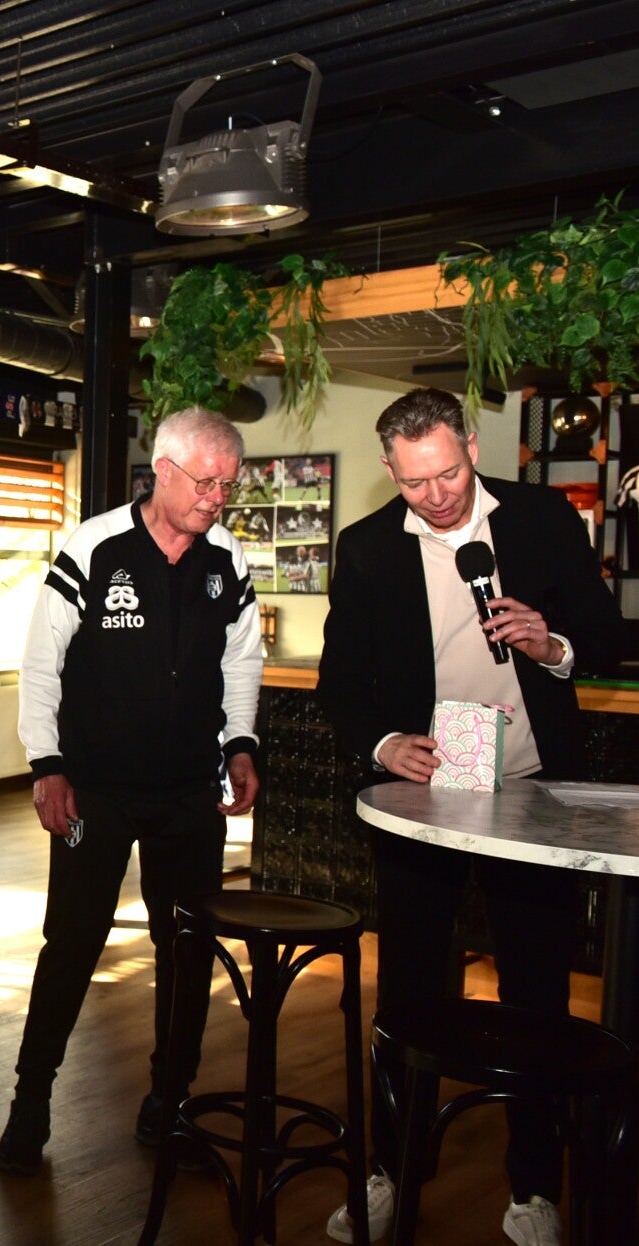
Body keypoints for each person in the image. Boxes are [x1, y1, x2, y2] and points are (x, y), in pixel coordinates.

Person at [316, 387, 624, 1246]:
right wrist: (385, 745)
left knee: (538, 996)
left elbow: (606, 636)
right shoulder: (368, 547)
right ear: (391, 471)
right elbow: (341, 687)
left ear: (472, 448)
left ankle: (534, 1188)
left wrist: (552, 644)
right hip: (425, 802)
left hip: (531, 794)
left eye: (448, 473)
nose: (437, 495)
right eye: (415, 482)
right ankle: (393, 1172)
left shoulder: (541, 519)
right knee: (409, 992)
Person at [0, 406, 264, 1176]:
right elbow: (42, 663)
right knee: (73, 944)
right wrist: (46, 763)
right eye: (205, 482)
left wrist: (241, 742)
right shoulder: (95, 546)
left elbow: (241, 661)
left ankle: (169, 1100)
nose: (216, 498)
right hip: (96, 791)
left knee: (186, 950)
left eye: (228, 485)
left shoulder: (227, 560)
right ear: (163, 472)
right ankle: (31, 1101)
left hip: (188, 795)